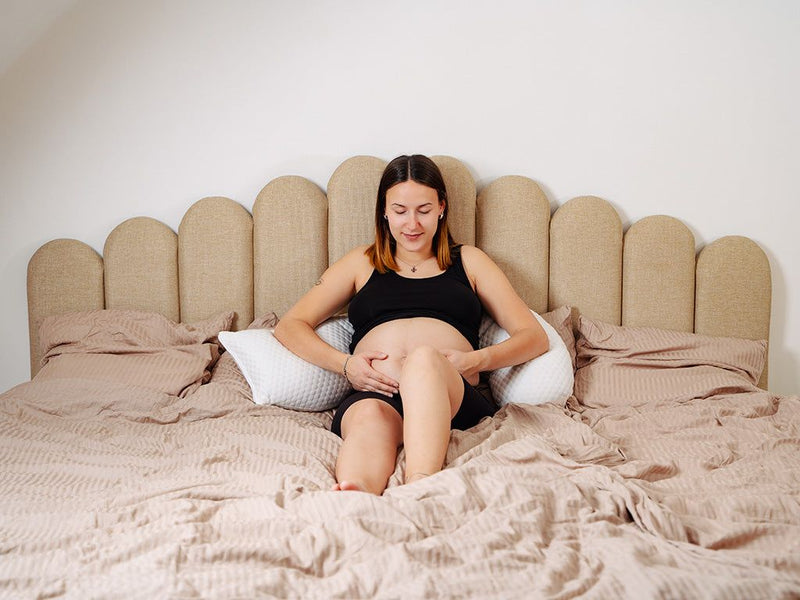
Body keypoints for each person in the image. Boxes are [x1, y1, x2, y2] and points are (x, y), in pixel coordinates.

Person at [273, 154, 548, 495]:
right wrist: (346, 366)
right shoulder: (362, 262)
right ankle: (354, 495)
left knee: (422, 358)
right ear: (384, 211)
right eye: (400, 211)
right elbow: (290, 325)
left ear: (442, 208)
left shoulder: (470, 262)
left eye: (424, 210)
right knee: (369, 418)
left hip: (449, 393)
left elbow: (534, 337)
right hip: (377, 390)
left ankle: (420, 486)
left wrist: (477, 360)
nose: (412, 224)